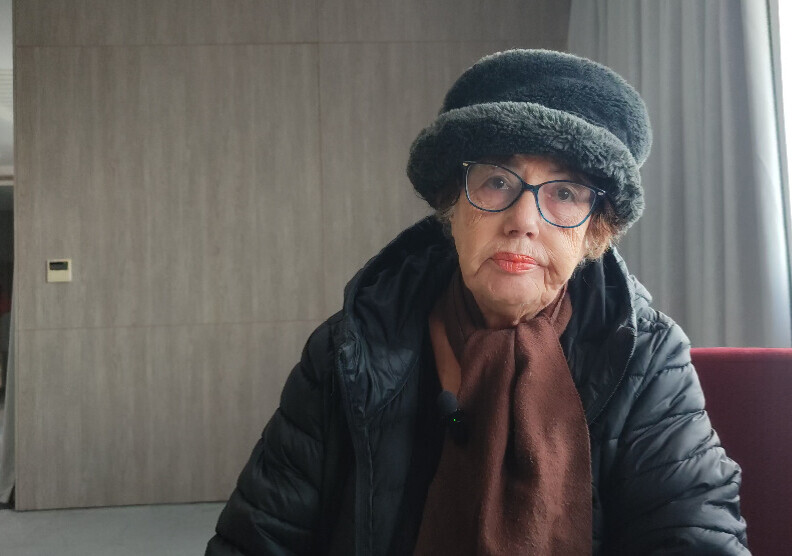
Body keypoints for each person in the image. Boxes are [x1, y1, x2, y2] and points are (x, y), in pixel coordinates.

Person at [206, 49, 749, 555]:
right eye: (496, 182)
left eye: (564, 192)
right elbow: (256, 540)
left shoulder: (647, 356)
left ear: (594, 232)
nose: (523, 220)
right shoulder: (347, 349)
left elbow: (696, 538)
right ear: (453, 206)